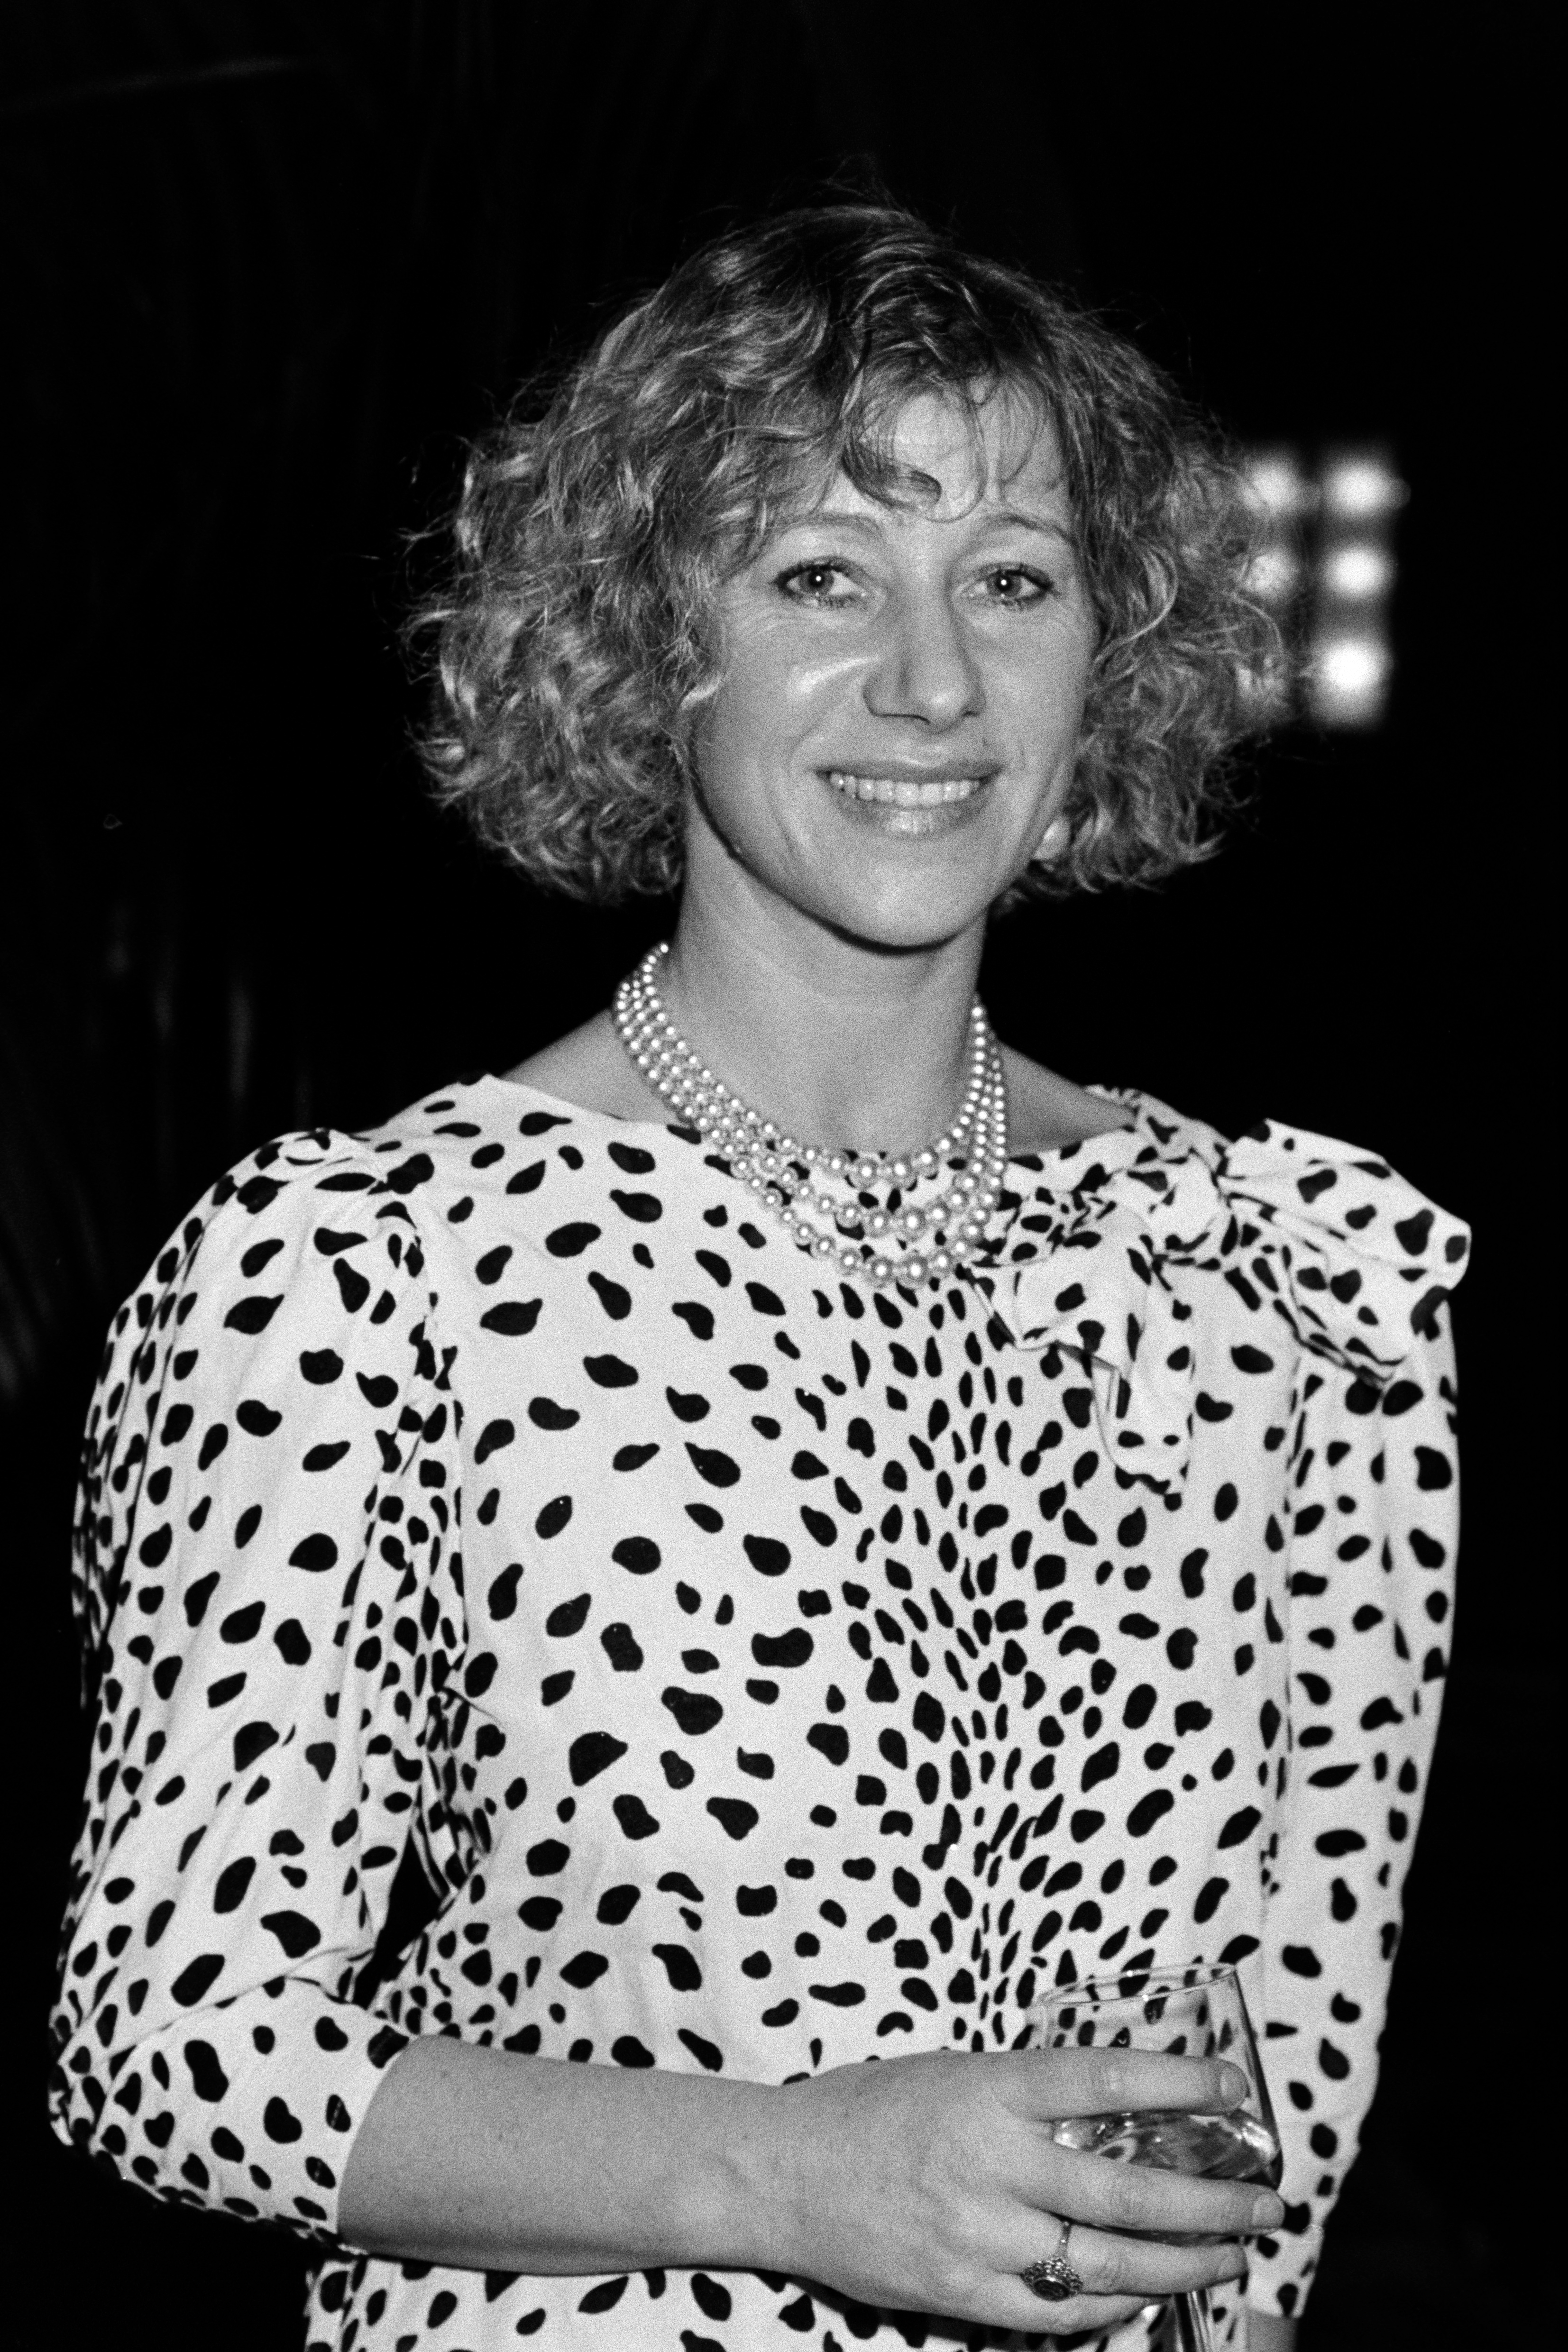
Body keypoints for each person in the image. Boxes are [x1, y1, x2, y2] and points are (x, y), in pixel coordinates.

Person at [51, 205, 1467, 2352]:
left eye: (1013, 579)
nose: (933, 680)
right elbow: (169, 2038)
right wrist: (790, 2174)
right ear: (649, 636)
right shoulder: (366, 1271)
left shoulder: (1281, 1287)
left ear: (1112, 647)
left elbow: (1274, 2135)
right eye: (820, 574)